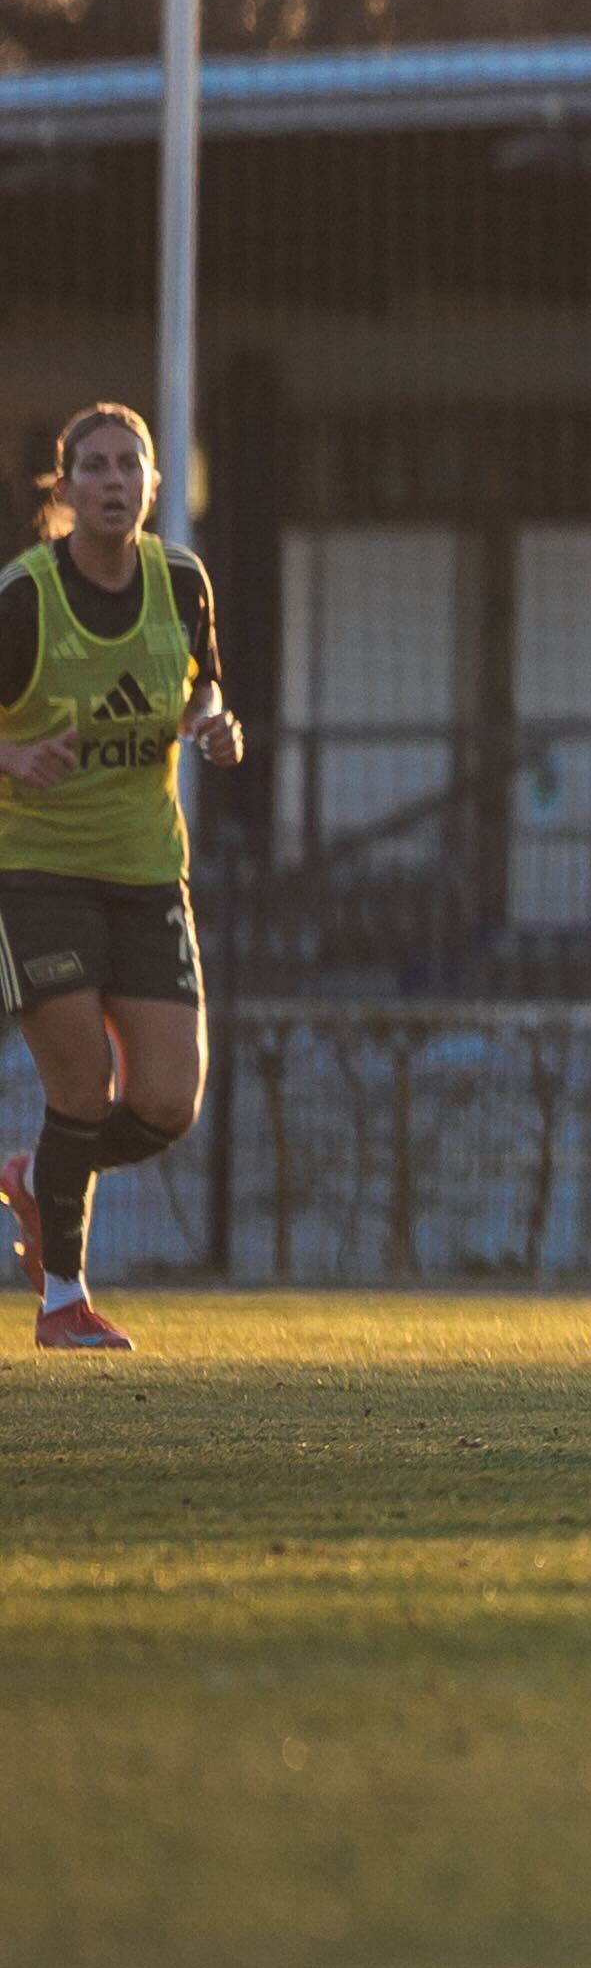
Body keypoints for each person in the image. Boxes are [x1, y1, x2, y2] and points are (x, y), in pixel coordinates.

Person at [1, 405, 242, 1355]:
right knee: (82, 1086)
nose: (112, 480)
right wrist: (12, 758)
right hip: (38, 872)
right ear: (62, 490)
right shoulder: (22, 600)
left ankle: (34, 1175)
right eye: (92, 465)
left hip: (148, 871)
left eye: (129, 465)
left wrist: (216, 724)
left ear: (154, 483)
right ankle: (65, 1300)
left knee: (168, 1103)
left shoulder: (182, 583)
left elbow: (204, 685)